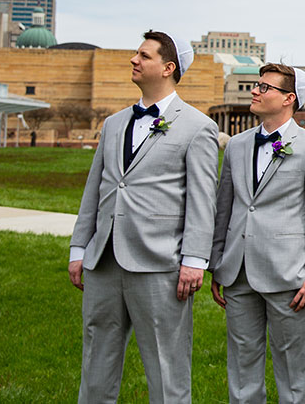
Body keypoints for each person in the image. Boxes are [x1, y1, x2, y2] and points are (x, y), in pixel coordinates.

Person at [69, 30, 219, 404]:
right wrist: (78, 248)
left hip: (160, 265)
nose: (134, 60)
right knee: (95, 360)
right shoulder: (115, 123)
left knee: (167, 367)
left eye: (144, 56)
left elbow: (203, 201)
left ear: (168, 68)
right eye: (136, 54)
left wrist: (195, 261)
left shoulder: (198, 127)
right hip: (102, 260)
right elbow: (96, 190)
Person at [209, 63, 305, 403]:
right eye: (257, 85)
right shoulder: (236, 146)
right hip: (237, 271)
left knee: (293, 370)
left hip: (289, 277)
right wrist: (217, 262)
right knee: (241, 366)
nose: (255, 91)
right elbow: (225, 208)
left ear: (288, 99)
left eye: (265, 87)